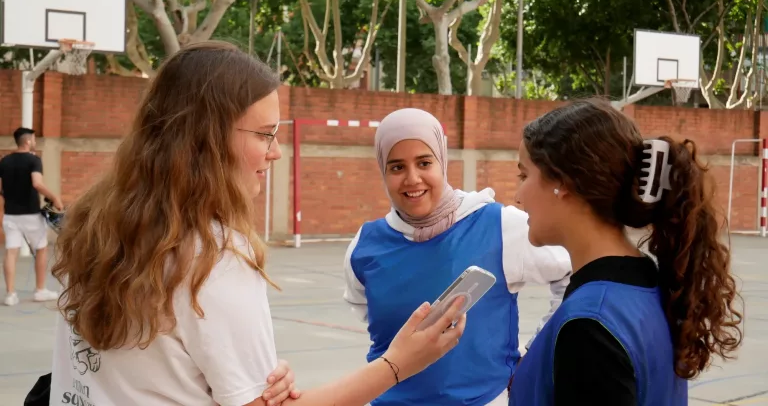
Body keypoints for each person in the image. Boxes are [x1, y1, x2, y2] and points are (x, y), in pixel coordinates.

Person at [48, 40, 466, 406]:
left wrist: (246, 378)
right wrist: (396, 365)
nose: (276, 151)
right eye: (265, 134)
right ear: (208, 138)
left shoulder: (94, 224)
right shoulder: (213, 257)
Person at [507, 98, 744, 405]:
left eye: (524, 175)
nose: (517, 195)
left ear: (563, 182)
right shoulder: (645, 284)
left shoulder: (589, 326)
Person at [342, 108, 572, 406]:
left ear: (443, 161)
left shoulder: (500, 225)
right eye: (396, 167)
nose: (413, 179)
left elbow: (572, 276)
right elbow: (367, 312)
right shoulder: (365, 245)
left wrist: (535, 355)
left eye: (424, 162)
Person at [0, 127, 63, 306]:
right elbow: (37, 183)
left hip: (11, 216)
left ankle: (11, 294)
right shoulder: (34, 160)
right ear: (28, 141)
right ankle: (40, 290)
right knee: (41, 249)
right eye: (34, 139)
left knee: (11, 252)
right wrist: (55, 197)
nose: (35, 142)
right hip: (31, 215)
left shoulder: (4, 161)